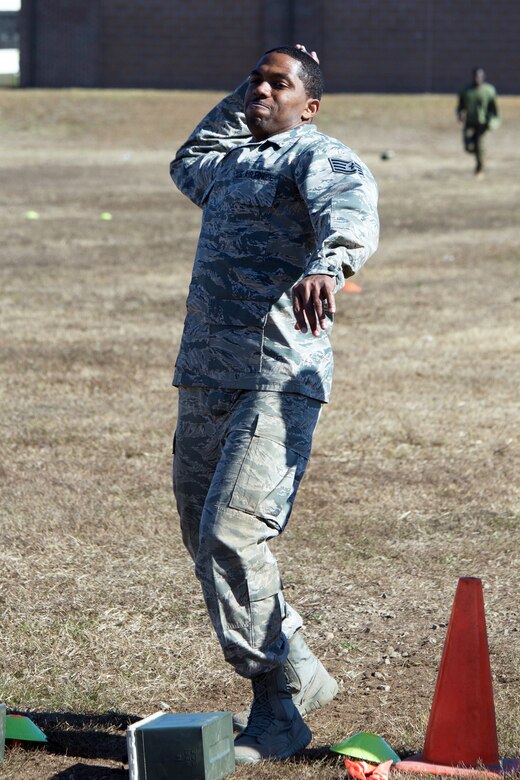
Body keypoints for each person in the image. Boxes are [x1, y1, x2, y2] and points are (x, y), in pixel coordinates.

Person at [170, 44, 379, 764]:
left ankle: (277, 709)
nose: (260, 89)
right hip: (205, 377)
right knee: (206, 541)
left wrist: (329, 263)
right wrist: (253, 87)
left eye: (278, 83)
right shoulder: (229, 161)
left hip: (276, 376)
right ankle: (294, 675)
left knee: (234, 534)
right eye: (255, 79)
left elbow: (348, 211)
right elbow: (188, 155)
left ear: (310, 104)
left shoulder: (316, 154)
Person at [457, 67, 500, 175]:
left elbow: (494, 110)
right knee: (468, 147)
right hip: (470, 122)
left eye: (480, 76)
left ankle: (479, 169)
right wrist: (460, 114)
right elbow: (460, 106)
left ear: (483, 77)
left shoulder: (489, 91)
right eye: (476, 76)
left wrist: (493, 122)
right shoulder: (466, 91)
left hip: (482, 123)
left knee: (479, 145)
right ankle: (478, 153)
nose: (477, 79)